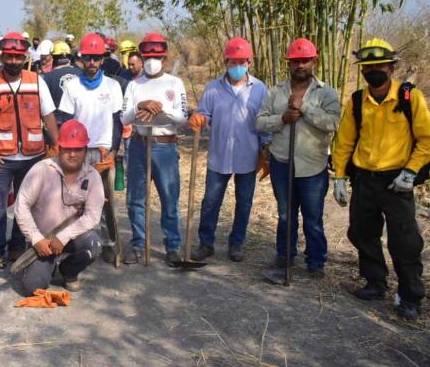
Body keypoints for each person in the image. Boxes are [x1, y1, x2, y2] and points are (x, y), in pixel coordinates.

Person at [332, 39, 430, 321]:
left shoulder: (409, 97)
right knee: (362, 233)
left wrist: (411, 171)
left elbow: (428, 142)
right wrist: (340, 177)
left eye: (379, 66)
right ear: (362, 71)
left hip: (397, 181)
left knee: (405, 241)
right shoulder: (356, 101)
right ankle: (375, 282)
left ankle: (410, 296)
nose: (374, 71)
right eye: (368, 67)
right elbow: (343, 142)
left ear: (391, 67)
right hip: (365, 179)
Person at [0, 32, 60, 274]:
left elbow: (48, 115)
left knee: (26, 206)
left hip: (33, 158)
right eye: (8, 56)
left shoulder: (36, 80)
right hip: (0, 158)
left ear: (25, 57)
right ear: (2, 56)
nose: (13, 61)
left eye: (18, 57)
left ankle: (17, 248)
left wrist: (57, 145)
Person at [256, 38, 340, 278]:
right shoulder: (276, 92)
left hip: (313, 167)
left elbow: (332, 123)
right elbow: (259, 122)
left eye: (304, 61)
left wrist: (305, 108)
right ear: (289, 64)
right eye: (294, 62)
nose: (299, 65)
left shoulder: (326, 93)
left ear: (314, 61)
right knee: (285, 215)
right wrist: (281, 119)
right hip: (282, 164)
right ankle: (284, 255)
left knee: (312, 217)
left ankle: (315, 262)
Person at [188, 37, 269, 262]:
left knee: (244, 202)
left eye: (241, 62)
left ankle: (236, 245)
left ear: (249, 63)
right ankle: (206, 244)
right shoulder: (213, 88)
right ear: (225, 62)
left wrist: (266, 151)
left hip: (248, 156)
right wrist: (199, 118)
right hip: (219, 155)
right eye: (232, 62)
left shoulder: (260, 89)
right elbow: (204, 113)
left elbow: (265, 122)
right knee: (211, 201)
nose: (237, 67)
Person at [14, 120, 105, 294]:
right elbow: (22, 205)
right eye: (67, 149)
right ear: (59, 148)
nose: (72, 154)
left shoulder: (93, 177)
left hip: (72, 238)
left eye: (78, 149)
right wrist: (36, 238)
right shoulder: (41, 169)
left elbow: (92, 217)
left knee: (93, 243)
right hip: (43, 241)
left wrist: (63, 237)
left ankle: (69, 272)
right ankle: (47, 266)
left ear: (86, 151)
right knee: (32, 288)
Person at [122, 32, 188, 265]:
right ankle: (138, 244)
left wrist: (162, 111)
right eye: (147, 56)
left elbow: (182, 118)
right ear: (141, 57)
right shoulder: (133, 85)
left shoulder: (174, 83)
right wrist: (140, 105)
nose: (151, 60)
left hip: (165, 147)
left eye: (156, 56)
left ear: (165, 58)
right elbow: (124, 118)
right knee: (135, 199)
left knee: (169, 198)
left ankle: (172, 246)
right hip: (139, 145)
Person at [59, 33, 124, 263]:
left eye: (97, 58)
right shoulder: (72, 86)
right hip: (78, 152)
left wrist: (114, 151)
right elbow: (65, 121)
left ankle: (109, 245)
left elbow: (117, 121)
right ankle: (76, 243)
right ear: (81, 58)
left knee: (106, 202)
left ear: (103, 59)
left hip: (104, 151)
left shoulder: (113, 86)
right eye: (88, 58)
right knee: (73, 200)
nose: (92, 63)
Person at [41, 40, 80, 128]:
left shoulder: (47, 78)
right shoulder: (82, 74)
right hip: (80, 123)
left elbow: (44, 106)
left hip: (58, 125)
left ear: (53, 57)